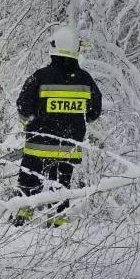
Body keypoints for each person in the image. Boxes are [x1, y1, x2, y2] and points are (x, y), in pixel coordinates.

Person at [12, 25, 103, 227]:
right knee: (61, 185)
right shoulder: (85, 79)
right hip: (68, 148)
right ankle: (58, 219)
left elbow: (23, 105)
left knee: (29, 181)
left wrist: (31, 120)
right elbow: (94, 113)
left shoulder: (40, 76)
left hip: (38, 145)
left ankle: (22, 216)